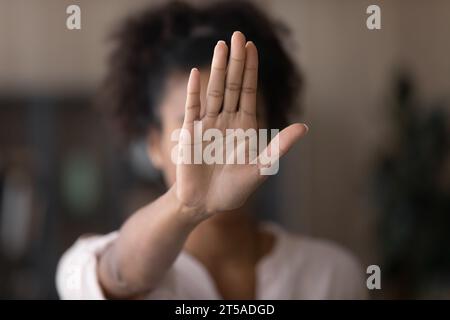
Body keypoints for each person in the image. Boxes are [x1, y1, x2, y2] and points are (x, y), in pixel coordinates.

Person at [56, 1, 367, 299]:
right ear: (153, 145)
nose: (217, 143)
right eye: (191, 123)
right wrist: (185, 206)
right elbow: (118, 275)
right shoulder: (85, 263)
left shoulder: (332, 275)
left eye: (238, 118)